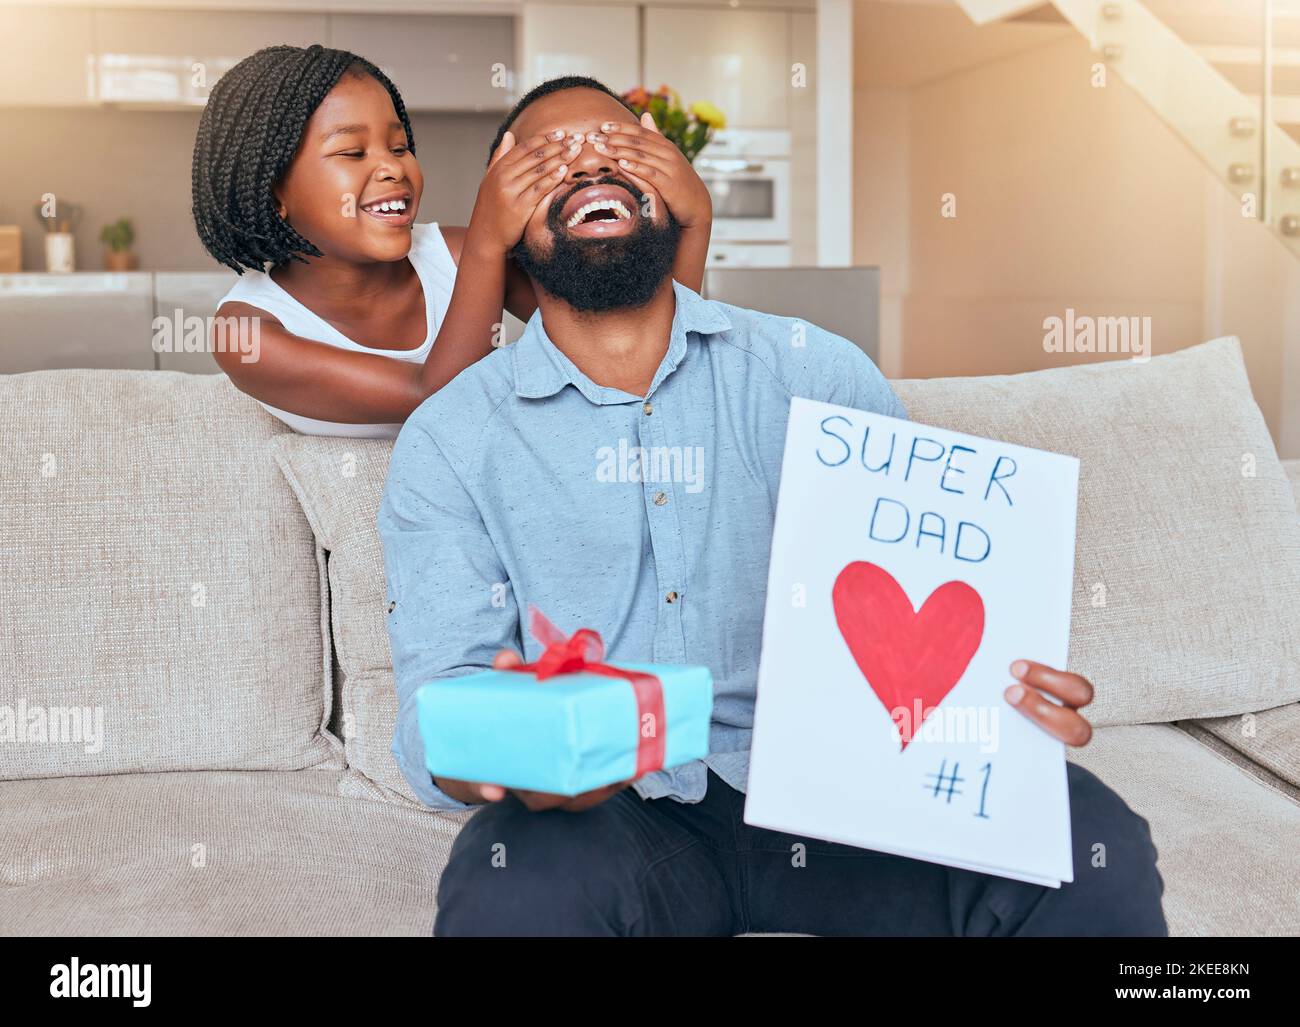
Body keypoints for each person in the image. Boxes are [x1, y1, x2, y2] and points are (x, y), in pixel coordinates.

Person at [377, 77, 1168, 937]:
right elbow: (436, 705)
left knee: (1084, 835)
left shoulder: (819, 374)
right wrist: (507, 747)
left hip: (851, 787)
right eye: (548, 162)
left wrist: (997, 695)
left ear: (669, 184)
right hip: (621, 809)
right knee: (512, 883)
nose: (588, 166)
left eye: (618, 148)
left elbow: (922, 610)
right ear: (501, 209)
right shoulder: (451, 440)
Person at [192, 51, 711, 437]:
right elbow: (439, 398)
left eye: (400, 146)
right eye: (352, 151)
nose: (393, 166)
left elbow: (629, 349)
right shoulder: (249, 334)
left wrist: (694, 218)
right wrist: (488, 236)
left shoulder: (452, 255)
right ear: (273, 189)